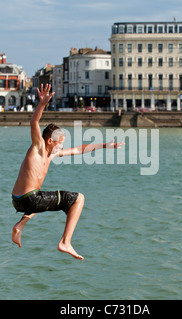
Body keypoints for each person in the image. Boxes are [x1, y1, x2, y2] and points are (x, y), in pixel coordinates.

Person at [11, 84, 124, 260]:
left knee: (43, 198)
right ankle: (65, 242)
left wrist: (104, 145)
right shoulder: (39, 147)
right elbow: (34, 122)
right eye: (60, 143)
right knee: (78, 199)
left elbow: (79, 150)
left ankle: (20, 225)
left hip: (18, 201)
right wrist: (42, 104)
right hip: (30, 199)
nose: (62, 147)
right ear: (49, 141)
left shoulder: (51, 153)